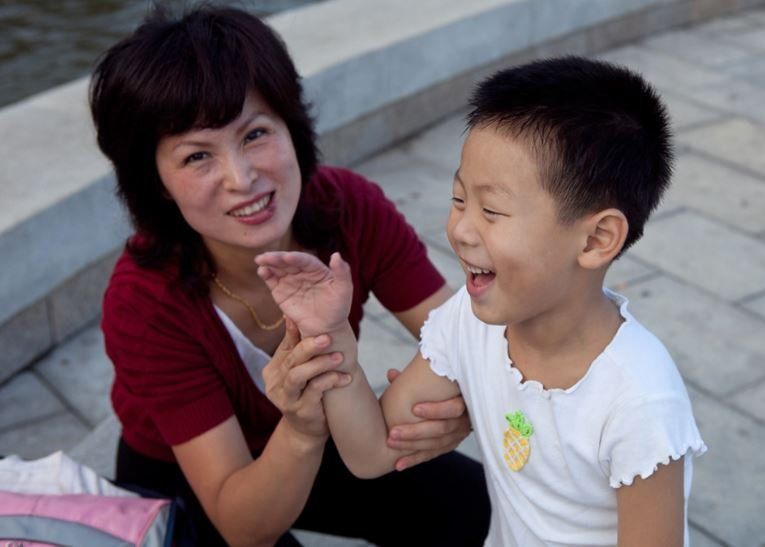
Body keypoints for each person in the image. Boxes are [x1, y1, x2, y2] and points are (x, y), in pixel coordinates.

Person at [256, 56, 707, 546]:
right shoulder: (470, 325)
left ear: (598, 239)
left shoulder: (639, 401)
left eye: (491, 210)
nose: (460, 229)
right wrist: (333, 334)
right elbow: (372, 454)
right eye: (458, 199)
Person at [91, 4, 489, 546]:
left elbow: (465, 331)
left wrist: (463, 407)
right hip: (185, 473)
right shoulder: (144, 302)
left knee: (470, 506)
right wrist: (301, 428)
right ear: (156, 181)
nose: (242, 178)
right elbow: (242, 524)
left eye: (255, 134)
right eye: (196, 157)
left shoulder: (348, 207)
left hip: (320, 435)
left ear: (291, 125)